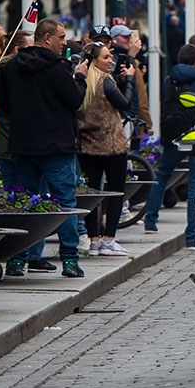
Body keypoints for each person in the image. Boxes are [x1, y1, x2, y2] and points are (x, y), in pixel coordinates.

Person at [0, 18, 85, 278]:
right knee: (65, 202)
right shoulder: (57, 68)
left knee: (26, 202)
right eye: (61, 37)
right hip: (56, 146)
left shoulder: (12, 67)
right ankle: (70, 259)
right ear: (46, 38)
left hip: (23, 145)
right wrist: (79, 78)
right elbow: (75, 99)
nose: (65, 42)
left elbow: (5, 105)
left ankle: (17, 259)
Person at [145, 45, 195, 246]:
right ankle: (192, 238)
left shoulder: (169, 80)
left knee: (162, 175)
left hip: (174, 136)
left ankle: (150, 221)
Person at [74, 43, 132, 257]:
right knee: (116, 192)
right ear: (94, 59)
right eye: (106, 57)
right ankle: (109, 239)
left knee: (92, 192)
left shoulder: (81, 80)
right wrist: (131, 81)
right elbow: (125, 103)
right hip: (111, 145)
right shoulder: (105, 81)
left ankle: (94, 239)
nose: (111, 61)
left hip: (89, 145)